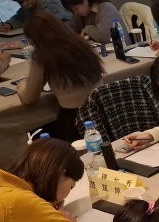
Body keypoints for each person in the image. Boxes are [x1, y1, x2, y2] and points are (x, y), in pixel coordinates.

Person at [17, 11, 105, 142]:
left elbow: (29, 98)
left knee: (38, 131)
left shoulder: (43, 56)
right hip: (103, 111)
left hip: (75, 120)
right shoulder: (83, 44)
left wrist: (21, 85)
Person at [62, 0, 131, 45]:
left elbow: (105, 37)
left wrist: (87, 29)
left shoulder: (105, 7)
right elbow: (69, 27)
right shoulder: (83, 13)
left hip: (122, 53)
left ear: (85, 1)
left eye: (76, 9)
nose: (75, 13)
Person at [0, 0, 72, 31]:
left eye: (25, 0)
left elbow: (49, 22)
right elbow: (19, 17)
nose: (24, 4)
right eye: (20, 3)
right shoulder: (29, 6)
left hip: (67, 30)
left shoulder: (47, 3)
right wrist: (9, 24)